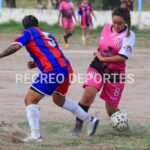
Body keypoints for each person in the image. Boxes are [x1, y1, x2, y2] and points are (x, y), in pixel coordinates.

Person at [0, 15, 100, 143]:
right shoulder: (47, 34)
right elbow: (52, 52)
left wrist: (1, 55)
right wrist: (36, 63)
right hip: (66, 68)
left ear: (25, 27)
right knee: (59, 100)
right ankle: (90, 120)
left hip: (53, 70)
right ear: (37, 24)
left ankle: (36, 136)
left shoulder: (28, 32)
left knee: (30, 99)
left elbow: (16, 46)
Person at [72, 8, 135, 135]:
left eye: (120, 23)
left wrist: (103, 57)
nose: (116, 26)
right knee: (88, 95)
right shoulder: (106, 27)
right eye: (114, 22)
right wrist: (100, 57)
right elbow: (102, 46)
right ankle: (77, 129)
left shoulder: (129, 35)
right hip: (98, 67)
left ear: (126, 22)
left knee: (111, 109)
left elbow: (123, 57)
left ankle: (123, 128)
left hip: (116, 73)